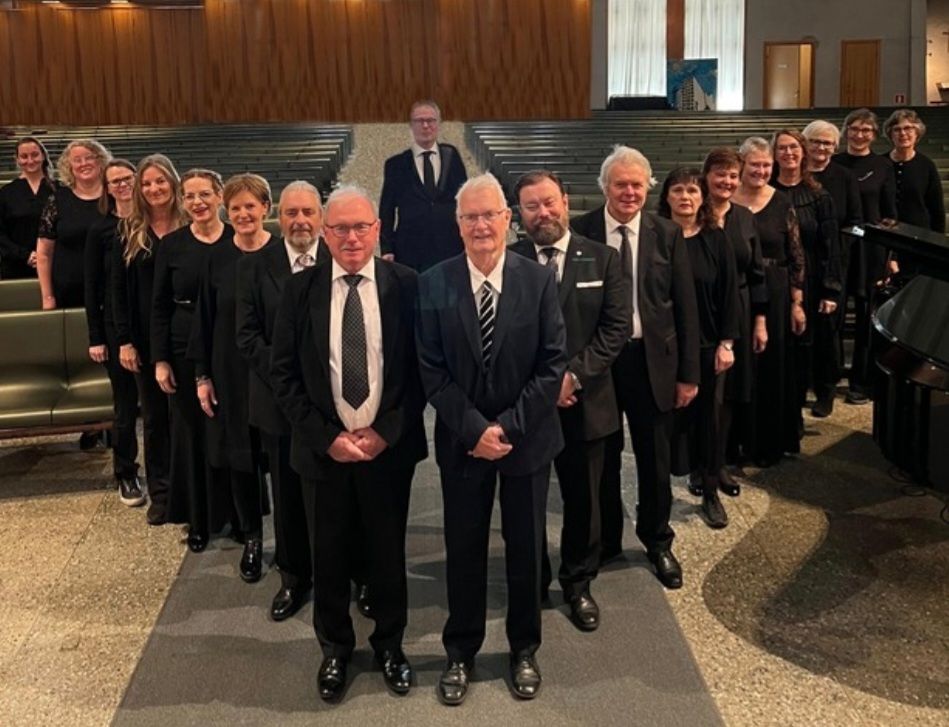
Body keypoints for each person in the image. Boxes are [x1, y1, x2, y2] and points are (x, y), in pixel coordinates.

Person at [271, 185, 426, 702]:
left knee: (387, 554)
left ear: (377, 229)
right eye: (340, 228)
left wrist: (386, 432)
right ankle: (335, 648)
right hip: (324, 453)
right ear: (324, 232)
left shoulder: (407, 285)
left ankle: (390, 645)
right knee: (329, 556)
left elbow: (423, 372)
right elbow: (283, 375)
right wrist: (327, 439)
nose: (351, 237)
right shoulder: (299, 290)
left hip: (388, 451)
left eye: (361, 226)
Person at [416, 173, 567, 705]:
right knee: (464, 549)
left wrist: (507, 426)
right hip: (464, 443)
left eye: (489, 215)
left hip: (527, 440)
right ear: (457, 225)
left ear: (507, 219)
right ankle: (461, 650)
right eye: (470, 217)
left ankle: (524, 647)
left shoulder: (538, 280)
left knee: (526, 548)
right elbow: (431, 369)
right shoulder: (435, 281)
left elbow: (552, 364)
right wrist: (476, 429)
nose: (480, 225)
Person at [571, 146, 700, 590]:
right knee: (601, 458)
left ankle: (658, 540)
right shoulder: (581, 231)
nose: (629, 192)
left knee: (654, 458)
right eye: (620, 184)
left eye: (637, 184)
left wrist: (689, 374)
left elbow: (685, 307)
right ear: (604, 187)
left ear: (648, 187)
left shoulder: (667, 233)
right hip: (601, 364)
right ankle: (606, 540)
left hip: (653, 362)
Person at [509, 170, 627, 632]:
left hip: (586, 401)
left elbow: (614, 329)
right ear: (519, 214)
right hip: (527, 406)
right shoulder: (509, 261)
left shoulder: (603, 257)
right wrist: (542, 385)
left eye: (549, 202)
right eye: (531, 206)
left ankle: (578, 582)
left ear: (565, 200)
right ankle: (533, 581)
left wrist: (572, 377)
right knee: (527, 503)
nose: (543, 213)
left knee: (584, 501)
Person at [235, 180, 329, 622]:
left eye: (308, 212)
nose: (300, 221)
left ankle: (347, 570)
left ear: (321, 217)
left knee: (337, 494)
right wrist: (290, 377)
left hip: (333, 405)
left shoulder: (339, 258)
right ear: (279, 217)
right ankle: (294, 577)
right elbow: (247, 336)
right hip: (278, 402)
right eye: (292, 213)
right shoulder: (256, 266)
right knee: (288, 495)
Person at [188, 174, 272, 582]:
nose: (242, 214)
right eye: (235, 207)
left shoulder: (282, 254)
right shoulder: (217, 259)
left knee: (281, 459)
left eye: (250, 206)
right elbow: (203, 320)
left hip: (273, 373)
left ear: (265, 209)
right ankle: (252, 537)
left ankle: (295, 541)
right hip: (230, 372)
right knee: (241, 457)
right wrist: (202, 376)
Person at [151, 169, 234, 541]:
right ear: (182, 202)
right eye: (189, 196)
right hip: (184, 344)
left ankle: (237, 514)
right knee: (192, 432)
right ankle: (199, 518)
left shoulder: (235, 239)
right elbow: (159, 306)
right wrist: (161, 359)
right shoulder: (172, 245)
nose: (197, 202)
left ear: (219, 196)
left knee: (229, 427)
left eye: (204, 194)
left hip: (229, 343)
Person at [658, 168, 739, 529]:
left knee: (709, 418)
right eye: (678, 190)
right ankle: (662, 489)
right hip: (665, 346)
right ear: (667, 197)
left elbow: (730, 293)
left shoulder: (715, 238)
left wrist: (726, 342)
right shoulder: (656, 237)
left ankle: (709, 489)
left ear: (703, 197)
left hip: (707, 343)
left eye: (692, 190)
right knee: (668, 420)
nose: (685, 197)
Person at [112, 154, 183, 518]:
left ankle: (192, 493)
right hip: (144, 337)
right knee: (155, 419)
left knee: (187, 418)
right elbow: (118, 293)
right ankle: (162, 494)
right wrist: (124, 340)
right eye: (147, 183)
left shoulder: (191, 225)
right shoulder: (129, 231)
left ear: (173, 183)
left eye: (160, 181)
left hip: (185, 335)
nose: (154, 188)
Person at [732, 137, 806, 467]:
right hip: (738, 291)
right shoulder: (727, 200)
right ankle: (736, 442)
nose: (761, 171)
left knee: (771, 369)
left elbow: (796, 255)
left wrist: (796, 302)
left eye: (766, 165)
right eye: (755, 165)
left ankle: (768, 443)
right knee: (740, 368)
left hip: (775, 292)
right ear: (741, 164)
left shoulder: (781, 201)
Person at [703, 148, 767, 496]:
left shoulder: (744, 217)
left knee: (728, 396)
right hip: (702, 310)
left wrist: (760, 321)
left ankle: (719, 464)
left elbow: (757, 273)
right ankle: (700, 463)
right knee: (703, 393)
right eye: (720, 173)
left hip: (739, 311)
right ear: (707, 176)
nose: (726, 181)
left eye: (732, 175)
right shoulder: (695, 213)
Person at [84, 159, 142, 506]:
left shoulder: (150, 221)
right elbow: (92, 286)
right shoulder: (101, 229)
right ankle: (126, 472)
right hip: (114, 327)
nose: (122, 185)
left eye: (127, 178)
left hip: (149, 322)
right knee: (125, 404)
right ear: (107, 189)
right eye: (115, 181)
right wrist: (96, 337)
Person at [772, 129, 841, 420]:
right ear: (774, 154)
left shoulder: (818, 195)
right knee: (789, 341)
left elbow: (831, 245)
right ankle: (793, 396)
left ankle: (825, 392)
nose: (788, 153)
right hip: (780, 276)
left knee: (820, 339)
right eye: (782, 148)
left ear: (803, 152)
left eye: (794, 147)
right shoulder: (767, 192)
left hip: (814, 275)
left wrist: (830, 289)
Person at [835, 108, 897, 404]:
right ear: (846, 131)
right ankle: (829, 377)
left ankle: (860, 382)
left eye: (866, 130)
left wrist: (890, 255)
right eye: (854, 129)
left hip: (871, 249)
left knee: (865, 316)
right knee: (833, 314)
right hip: (839, 246)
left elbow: (890, 214)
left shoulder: (882, 166)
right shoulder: (835, 163)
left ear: (874, 135)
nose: (859, 135)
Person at [379, 100, 467, 271]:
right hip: (410, 248)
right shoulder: (396, 164)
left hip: (449, 245)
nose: (425, 126)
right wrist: (386, 248)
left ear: (438, 124)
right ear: (411, 125)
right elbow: (386, 209)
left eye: (431, 120)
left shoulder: (452, 156)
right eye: (419, 121)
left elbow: (464, 200)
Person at [37, 139, 111, 310]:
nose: (83, 163)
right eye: (77, 160)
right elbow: (44, 254)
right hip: (68, 289)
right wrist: (47, 296)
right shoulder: (57, 200)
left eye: (89, 157)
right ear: (69, 167)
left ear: (100, 161)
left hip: (110, 289)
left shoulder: (114, 197)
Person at [884, 108, 946, 276]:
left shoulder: (927, 165)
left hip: (918, 239)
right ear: (890, 134)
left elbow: (936, 209)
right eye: (897, 129)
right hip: (885, 238)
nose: (903, 133)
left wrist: (937, 246)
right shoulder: (881, 163)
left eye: (908, 128)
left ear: (917, 132)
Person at [0, 137, 54, 280]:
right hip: (15, 266)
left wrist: (45, 256)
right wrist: (25, 255)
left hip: (55, 264)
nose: (30, 161)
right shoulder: (5, 193)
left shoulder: (59, 190)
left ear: (43, 156)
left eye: (35, 155)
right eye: (24, 156)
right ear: (17, 159)